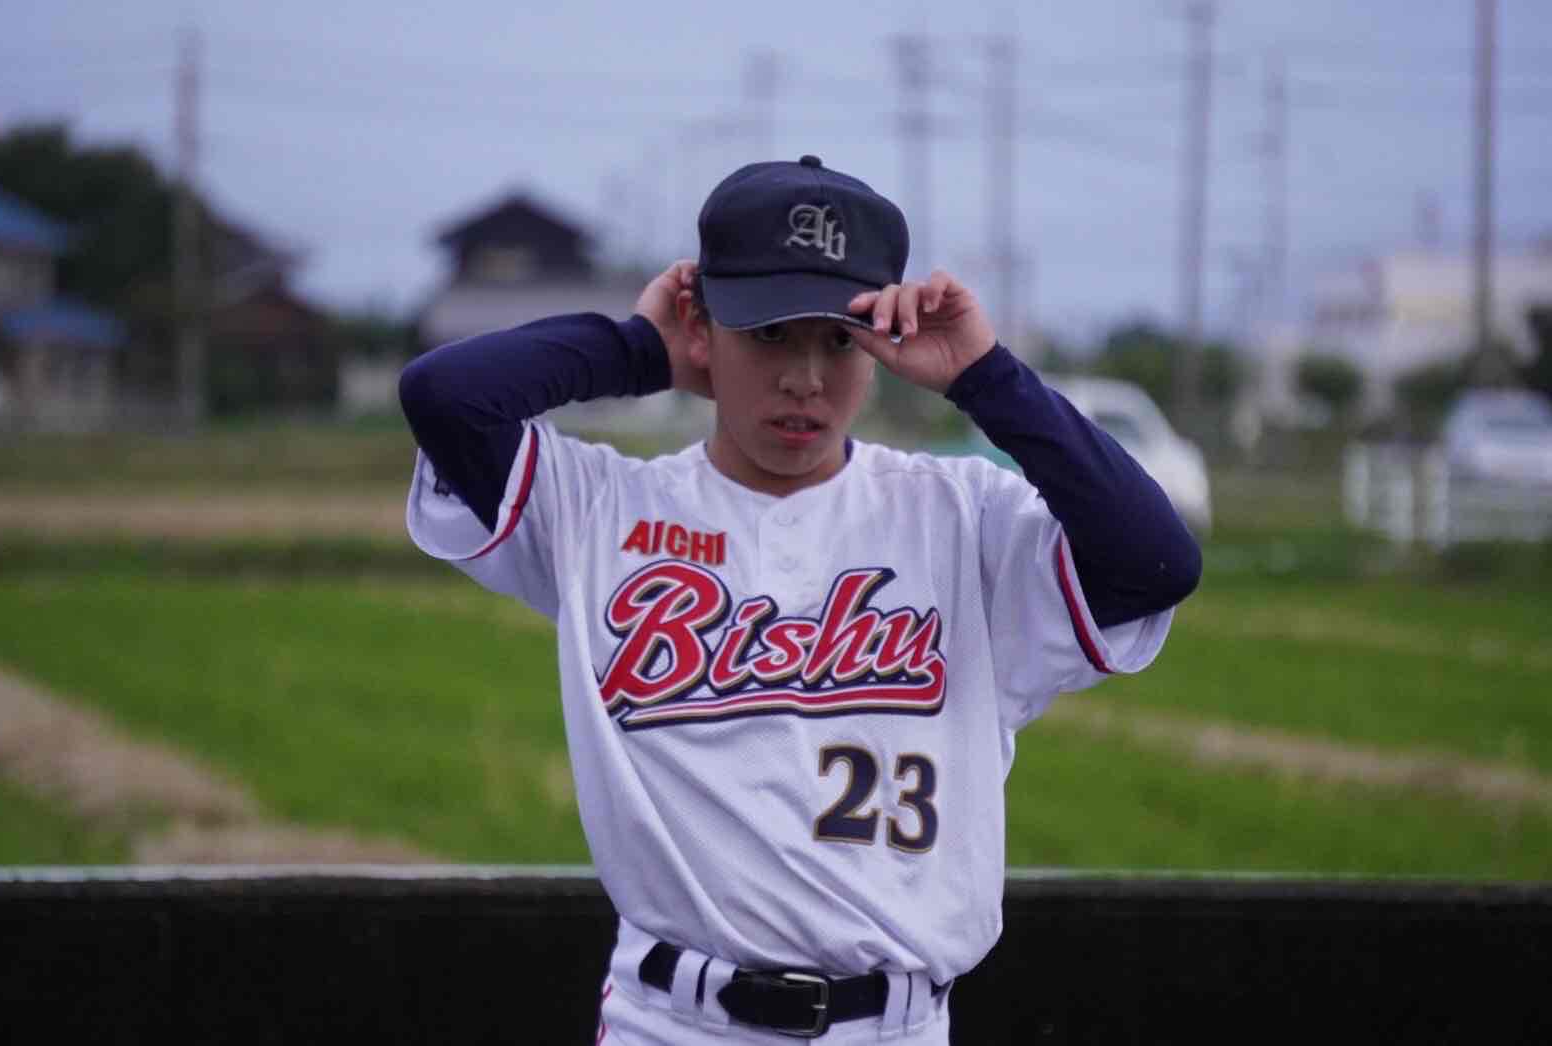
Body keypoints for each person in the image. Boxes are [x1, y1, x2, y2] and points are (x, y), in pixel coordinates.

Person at [399, 155, 1200, 1044]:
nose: (805, 378)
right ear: (702, 323)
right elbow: (445, 396)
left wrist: (986, 376)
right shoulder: (596, 507)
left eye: (839, 339)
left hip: (893, 1028)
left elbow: (1155, 563)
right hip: (673, 1025)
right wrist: (637, 349)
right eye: (770, 333)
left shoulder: (961, 517)